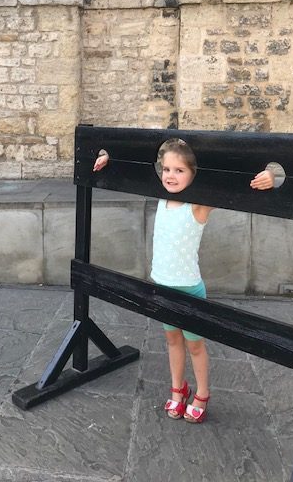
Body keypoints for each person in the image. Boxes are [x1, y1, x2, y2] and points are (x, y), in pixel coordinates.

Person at [93, 139, 274, 424]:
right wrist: (107, 158)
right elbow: (125, 168)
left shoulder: (199, 206)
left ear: (194, 174)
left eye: (179, 170)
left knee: (195, 346)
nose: (170, 175)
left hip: (189, 289)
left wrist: (271, 175)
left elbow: (237, 186)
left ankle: (202, 393)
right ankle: (178, 389)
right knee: (172, 342)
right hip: (161, 286)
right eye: (166, 168)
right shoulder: (161, 197)